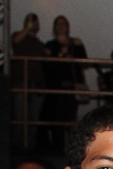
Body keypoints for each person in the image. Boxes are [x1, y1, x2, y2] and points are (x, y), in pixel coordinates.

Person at [40, 15, 88, 152]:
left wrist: (73, 56)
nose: (61, 26)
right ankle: (58, 150)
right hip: (57, 86)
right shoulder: (50, 45)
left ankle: (71, 150)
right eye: (58, 24)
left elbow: (84, 62)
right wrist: (60, 56)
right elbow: (46, 65)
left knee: (70, 119)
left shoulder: (75, 43)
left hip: (72, 86)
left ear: (68, 27)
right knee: (58, 119)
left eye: (63, 24)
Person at [12, 13, 48, 149]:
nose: (33, 24)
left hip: (36, 83)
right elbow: (16, 41)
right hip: (21, 81)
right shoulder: (18, 36)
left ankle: (31, 147)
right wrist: (27, 28)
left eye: (35, 22)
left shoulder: (39, 44)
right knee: (20, 116)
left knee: (34, 118)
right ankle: (19, 147)